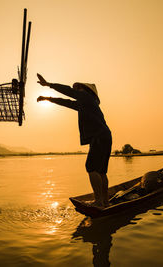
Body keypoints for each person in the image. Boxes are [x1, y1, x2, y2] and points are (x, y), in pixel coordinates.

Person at [36, 73, 112, 208]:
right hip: (105, 136)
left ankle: (99, 202)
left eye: (79, 89)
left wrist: (48, 85)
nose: (77, 91)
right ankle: (105, 201)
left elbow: (68, 91)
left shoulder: (87, 97)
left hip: (99, 136)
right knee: (101, 171)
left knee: (91, 167)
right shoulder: (86, 104)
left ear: (87, 91)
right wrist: (48, 99)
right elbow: (66, 102)